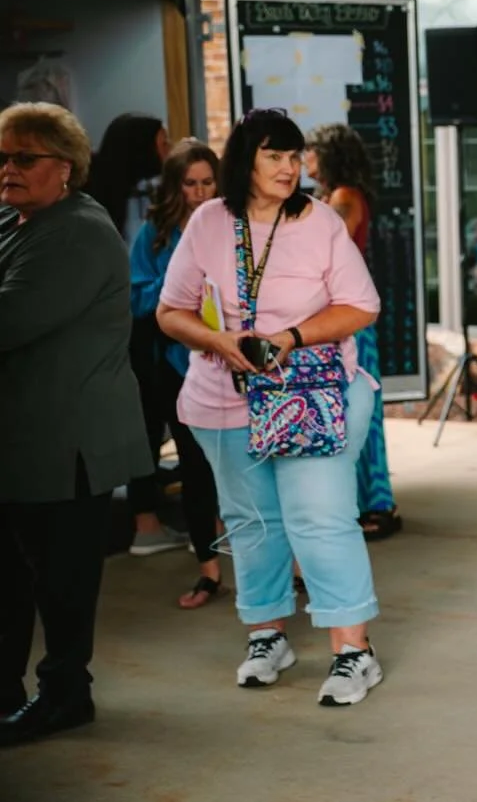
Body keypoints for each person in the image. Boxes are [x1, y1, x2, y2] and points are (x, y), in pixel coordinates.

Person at [156, 108, 386, 707]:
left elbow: (361, 306)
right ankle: (267, 635)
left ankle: (353, 651)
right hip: (224, 397)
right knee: (252, 522)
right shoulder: (209, 221)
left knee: (320, 515)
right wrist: (218, 340)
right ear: (244, 161)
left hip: (310, 393)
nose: (289, 168)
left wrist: (290, 337)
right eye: (273, 157)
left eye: (294, 156)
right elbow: (171, 309)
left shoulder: (320, 222)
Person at [0, 102, 152, 746]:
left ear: (65, 168)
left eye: (23, 158)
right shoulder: (20, 221)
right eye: (2, 157)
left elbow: (9, 320)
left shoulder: (78, 231)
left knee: (61, 583)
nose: (8, 169)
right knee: (14, 575)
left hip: (68, 444)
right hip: (28, 440)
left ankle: (66, 696)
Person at [130, 138, 228, 606]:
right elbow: (136, 298)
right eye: (190, 184)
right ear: (175, 186)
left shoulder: (234, 224)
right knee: (192, 463)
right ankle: (208, 571)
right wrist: (179, 285)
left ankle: (272, 563)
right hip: (175, 362)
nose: (200, 192)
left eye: (208, 182)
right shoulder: (154, 234)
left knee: (241, 463)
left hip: (232, 359)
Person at [90, 111, 187, 554]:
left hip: (120, 331)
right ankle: (147, 525)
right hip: (138, 332)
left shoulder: (98, 196)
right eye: (162, 143)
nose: (166, 152)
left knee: (143, 427)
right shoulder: (137, 205)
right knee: (148, 426)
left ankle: (148, 521)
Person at [303, 124, 401, 540]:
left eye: (309, 152)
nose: (303, 160)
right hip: (338, 316)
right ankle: (362, 501)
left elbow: (329, 250)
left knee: (360, 411)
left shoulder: (344, 198)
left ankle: (376, 504)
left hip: (349, 321)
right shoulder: (334, 196)